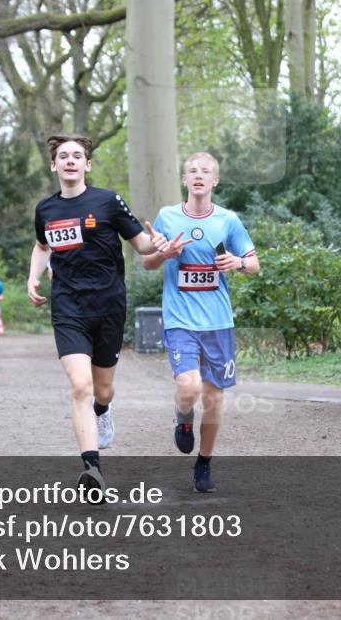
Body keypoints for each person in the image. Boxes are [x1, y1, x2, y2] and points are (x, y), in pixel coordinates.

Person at [28, 133, 170, 495]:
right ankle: (93, 470)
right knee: (80, 385)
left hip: (108, 306)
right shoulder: (46, 209)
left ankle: (103, 413)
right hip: (67, 307)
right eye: (64, 156)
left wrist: (162, 245)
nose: (71, 160)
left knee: (102, 390)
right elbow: (42, 245)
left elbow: (142, 246)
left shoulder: (107, 201)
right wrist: (33, 277)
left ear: (87, 165)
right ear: (54, 164)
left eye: (77, 156)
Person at [143, 152, 259, 492]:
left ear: (214, 181)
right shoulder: (166, 216)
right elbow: (147, 265)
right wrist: (164, 253)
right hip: (180, 319)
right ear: (184, 179)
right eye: (192, 171)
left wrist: (237, 262)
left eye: (205, 171)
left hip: (218, 322)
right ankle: (182, 418)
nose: (198, 175)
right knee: (189, 387)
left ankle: (204, 463)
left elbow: (254, 264)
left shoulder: (228, 220)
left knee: (213, 398)